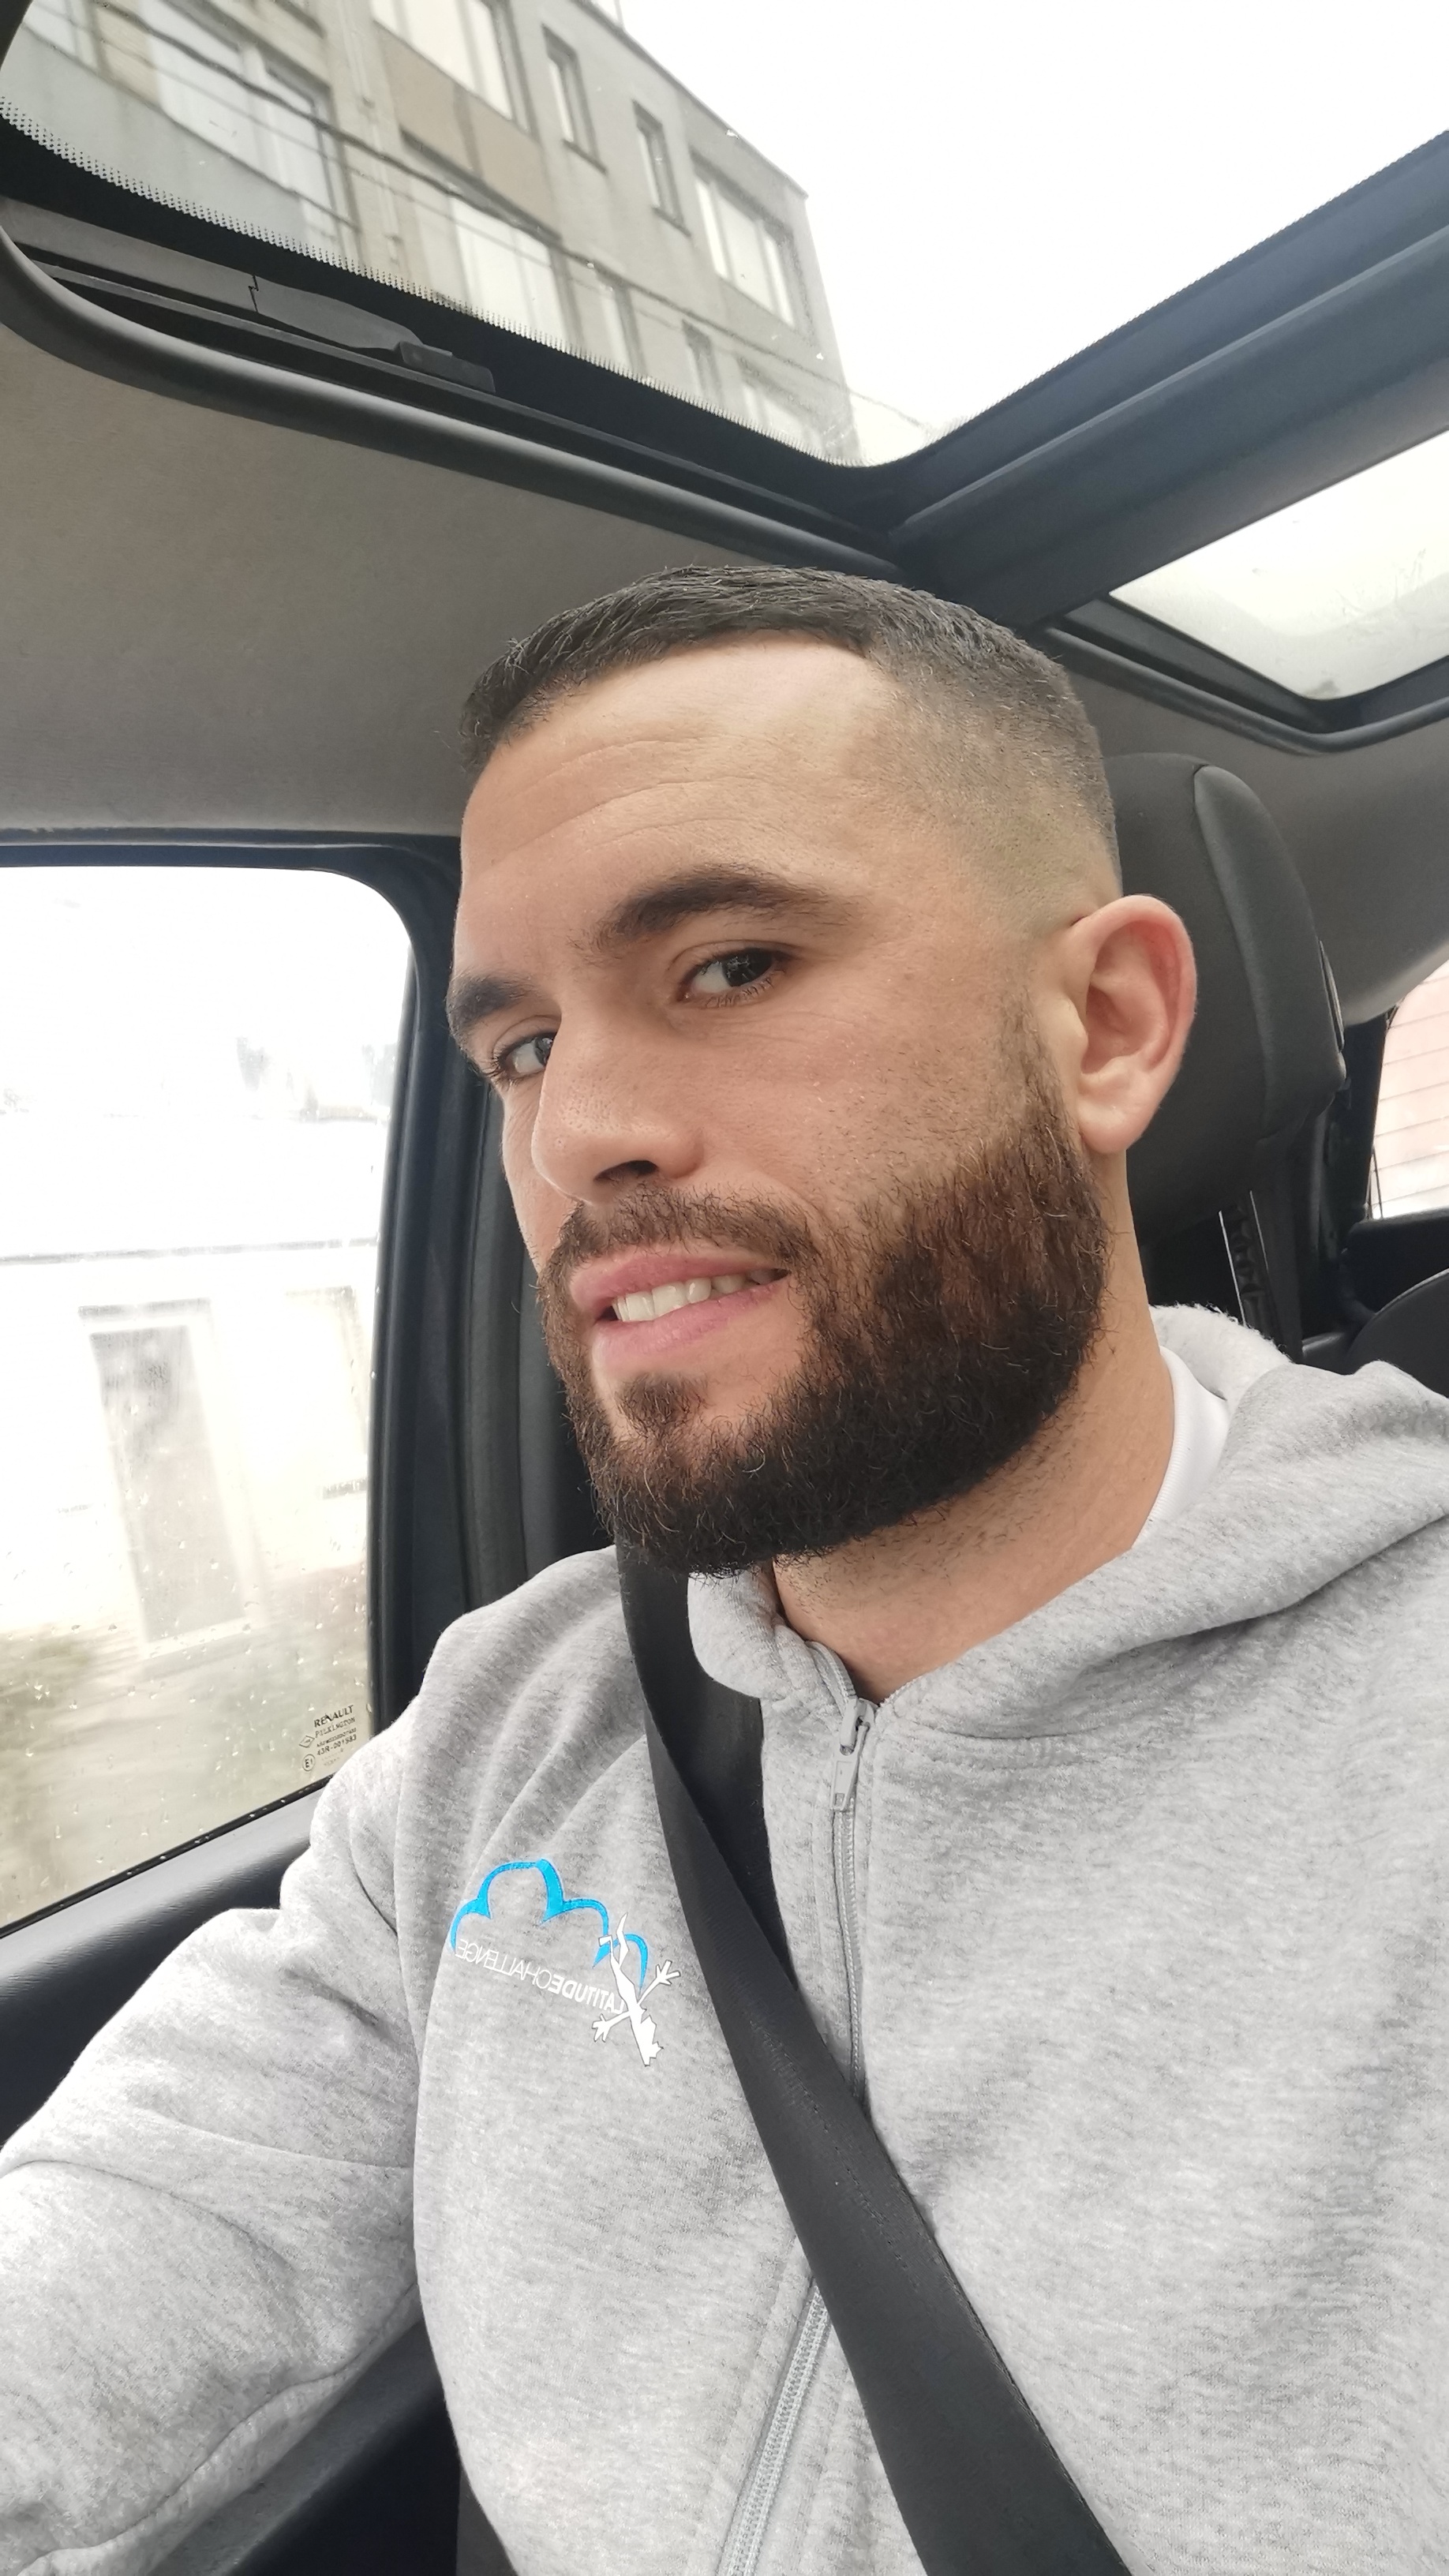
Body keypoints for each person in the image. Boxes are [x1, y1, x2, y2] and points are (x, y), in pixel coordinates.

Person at [2, 565, 1447, 2576]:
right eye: (521, 1047)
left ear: (1105, 1028)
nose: (575, 1135)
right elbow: (147, 2221)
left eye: (734, 965)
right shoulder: (516, 1728)